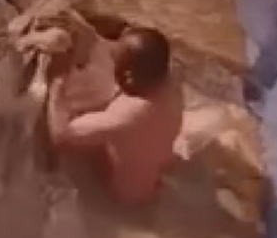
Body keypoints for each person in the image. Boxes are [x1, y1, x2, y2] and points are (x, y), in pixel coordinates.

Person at [48, 27, 183, 204]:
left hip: (126, 195)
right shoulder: (170, 81)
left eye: (115, 61)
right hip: (154, 170)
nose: (112, 61)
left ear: (128, 77)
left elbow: (61, 137)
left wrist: (56, 85)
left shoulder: (127, 116)